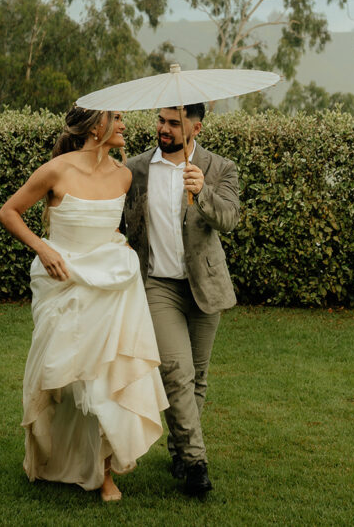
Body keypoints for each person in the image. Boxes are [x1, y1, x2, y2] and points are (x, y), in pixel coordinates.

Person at [0, 105, 168, 502]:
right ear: (97, 127)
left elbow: (112, 227)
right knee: (66, 380)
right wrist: (42, 249)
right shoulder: (56, 170)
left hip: (112, 284)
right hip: (64, 282)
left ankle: (106, 474)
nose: (125, 126)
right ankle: (54, 458)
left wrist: (118, 242)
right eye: (118, 119)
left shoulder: (124, 175)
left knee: (107, 379)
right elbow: (9, 212)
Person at [122, 103, 240, 497]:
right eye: (161, 121)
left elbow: (229, 219)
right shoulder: (136, 169)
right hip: (158, 285)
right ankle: (195, 464)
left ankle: (177, 448)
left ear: (196, 127)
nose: (164, 129)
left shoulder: (219, 168)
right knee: (176, 372)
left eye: (174, 123)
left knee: (198, 379)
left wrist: (201, 191)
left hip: (204, 285)